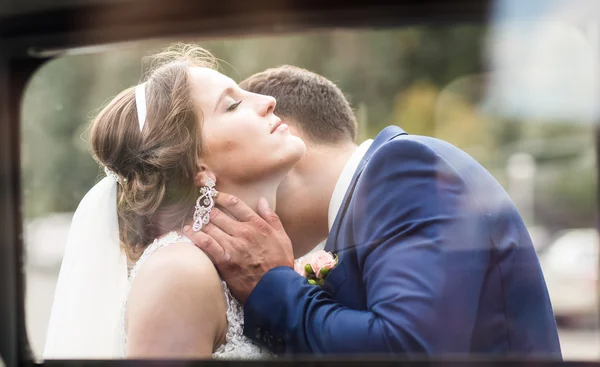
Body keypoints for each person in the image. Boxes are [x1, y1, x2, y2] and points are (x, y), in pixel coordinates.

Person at [184, 65, 563, 357]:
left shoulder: (404, 168)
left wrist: (275, 283)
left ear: (284, 132)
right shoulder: (371, 202)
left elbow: (407, 348)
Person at [43, 44, 306, 359]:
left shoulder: (249, 261)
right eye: (233, 104)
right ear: (196, 165)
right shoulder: (179, 273)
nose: (268, 101)